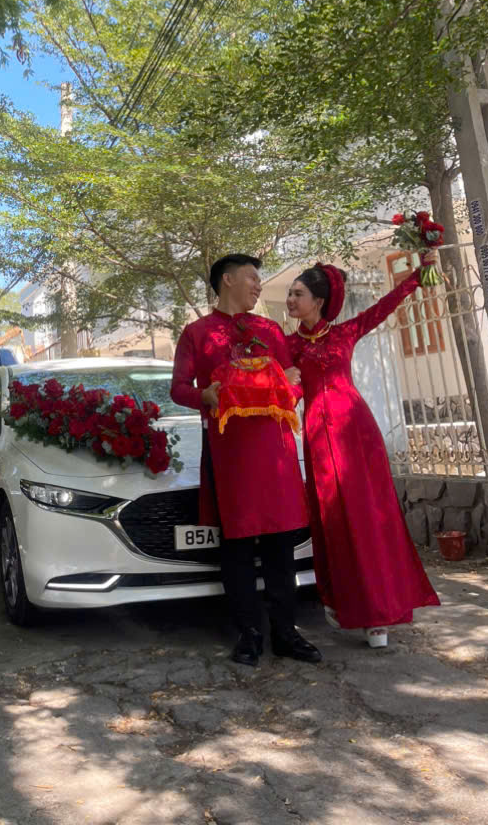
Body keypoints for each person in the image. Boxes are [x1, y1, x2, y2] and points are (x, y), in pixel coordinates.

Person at [172, 253, 321, 667]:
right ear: (228, 279)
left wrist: (279, 390)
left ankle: (286, 633)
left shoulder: (269, 330)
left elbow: (294, 383)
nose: (259, 286)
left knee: (279, 545)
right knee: (236, 547)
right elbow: (179, 388)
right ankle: (249, 633)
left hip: (274, 451)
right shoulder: (197, 334)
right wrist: (205, 395)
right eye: (253, 278)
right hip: (230, 454)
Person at [285, 257, 441, 647]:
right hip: (319, 437)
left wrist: (417, 277)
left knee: (369, 515)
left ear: (318, 300)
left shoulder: (345, 333)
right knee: (334, 517)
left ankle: (379, 614)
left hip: (356, 430)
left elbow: (384, 306)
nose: (290, 299)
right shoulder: (286, 346)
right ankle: (344, 601)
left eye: (297, 293)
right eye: (289, 293)